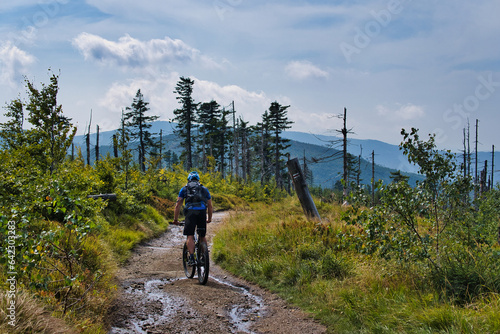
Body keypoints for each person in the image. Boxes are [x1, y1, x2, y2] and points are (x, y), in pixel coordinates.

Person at [173, 171, 213, 266]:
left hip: (190, 213)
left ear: (188, 180)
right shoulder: (204, 189)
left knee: (190, 235)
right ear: (198, 180)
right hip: (202, 212)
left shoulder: (184, 189)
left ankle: (191, 258)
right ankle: (204, 257)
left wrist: (175, 219)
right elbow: (210, 206)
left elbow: (178, 205)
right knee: (202, 236)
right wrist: (209, 218)